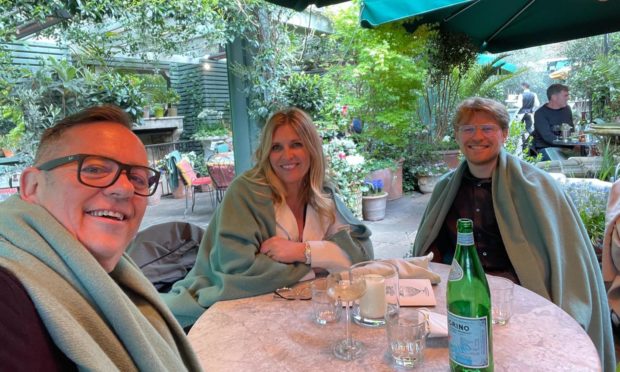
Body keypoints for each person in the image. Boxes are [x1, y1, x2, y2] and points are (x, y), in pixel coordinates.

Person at [412, 97, 615, 371]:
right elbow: (431, 250)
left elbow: (569, 261)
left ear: (505, 133)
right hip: (462, 299)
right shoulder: (445, 188)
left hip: (522, 301)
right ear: (458, 136)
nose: (477, 137)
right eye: (467, 129)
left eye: (487, 128)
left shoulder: (538, 187)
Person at [0, 105, 201, 371]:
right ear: (31, 186)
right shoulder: (8, 294)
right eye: (95, 169)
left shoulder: (115, 277)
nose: (124, 188)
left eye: (138, 178)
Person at [162, 107, 373, 328]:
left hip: (303, 311)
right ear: (266, 153)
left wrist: (301, 252)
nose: (287, 156)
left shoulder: (322, 192)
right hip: (236, 310)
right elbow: (238, 268)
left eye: (296, 144)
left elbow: (361, 255)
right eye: (276, 147)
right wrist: (317, 266)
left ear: (312, 149)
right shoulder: (246, 191)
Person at [532, 83, 573, 160]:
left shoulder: (567, 110)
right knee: (562, 163)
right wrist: (566, 144)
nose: (568, 98)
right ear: (554, 97)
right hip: (546, 148)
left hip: (566, 148)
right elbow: (547, 137)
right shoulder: (540, 113)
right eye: (565, 96)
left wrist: (574, 144)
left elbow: (571, 131)